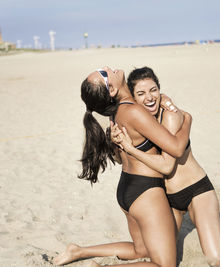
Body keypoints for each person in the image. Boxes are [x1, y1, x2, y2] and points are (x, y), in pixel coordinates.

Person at [53, 66, 192, 267]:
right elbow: (176, 149)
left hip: (127, 188)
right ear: (111, 90)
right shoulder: (133, 111)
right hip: (147, 192)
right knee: (165, 265)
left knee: (140, 250)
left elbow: (120, 156)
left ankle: (79, 251)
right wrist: (187, 120)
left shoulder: (118, 111)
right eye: (103, 73)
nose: (108, 68)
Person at [111, 67, 220, 267]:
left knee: (216, 259)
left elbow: (167, 165)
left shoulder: (171, 116)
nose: (150, 97)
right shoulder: (136, 121)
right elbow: (122, 161)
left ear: (160, 89)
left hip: (196, 190)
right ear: (133, 98)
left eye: (154, 90)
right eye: (141, 93)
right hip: (168, 201)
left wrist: (131, 149)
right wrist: (117, 146)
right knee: (162, 260)